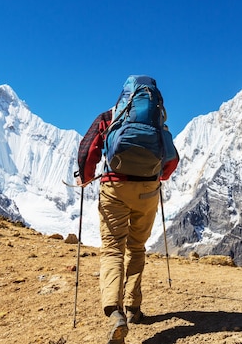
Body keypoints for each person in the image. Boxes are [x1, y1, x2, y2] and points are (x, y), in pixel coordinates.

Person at [76, 76, 179, 344]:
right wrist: (155, 177)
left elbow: (88, 150)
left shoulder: (111, 115)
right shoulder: (157, 121)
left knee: (113, 249)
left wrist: (85, 176)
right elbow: (171, 159)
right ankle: (133, 307)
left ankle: (115, 312)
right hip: (147, 191)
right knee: (136, 247)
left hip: (115, 189)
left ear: (125, 95)